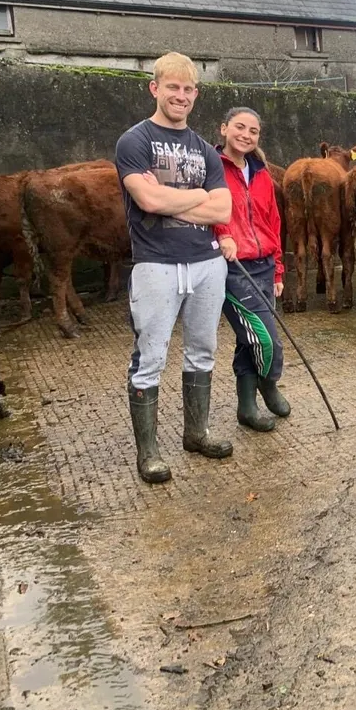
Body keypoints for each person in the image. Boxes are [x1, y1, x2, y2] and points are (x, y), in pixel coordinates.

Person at [116, 51, 234, 485]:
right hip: (156, 265)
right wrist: (197, 200)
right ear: (156, 89)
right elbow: (147, 202)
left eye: (187, 89)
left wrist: (172, 199)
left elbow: (224, 206)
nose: (180, 96)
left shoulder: (205, 148)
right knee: (151, 357)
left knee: (202, 350)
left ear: (195, 95)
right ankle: (148, 453)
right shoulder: (134, 141)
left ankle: (196, 433)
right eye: (172, 88)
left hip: (206, 264)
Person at [213, 107, 291, 432]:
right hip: (232, 269)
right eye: (239, 127)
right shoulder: (211, 168)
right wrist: (223, 234)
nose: (246, 135)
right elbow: (205, 208)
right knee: (265, 340)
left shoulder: (261, 174)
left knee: (249, 338)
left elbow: (273, 221)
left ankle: (247, 406)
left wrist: (278, 270)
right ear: (224, 129)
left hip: (264, 266)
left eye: (253, 131)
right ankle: (268, 383)